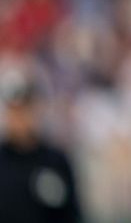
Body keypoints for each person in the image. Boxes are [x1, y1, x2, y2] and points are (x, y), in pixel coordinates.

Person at [0, 69, 83, 223]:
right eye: (14, 111)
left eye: (25, 109)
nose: (19, 118)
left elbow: (72, 212)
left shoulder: (55, 161)